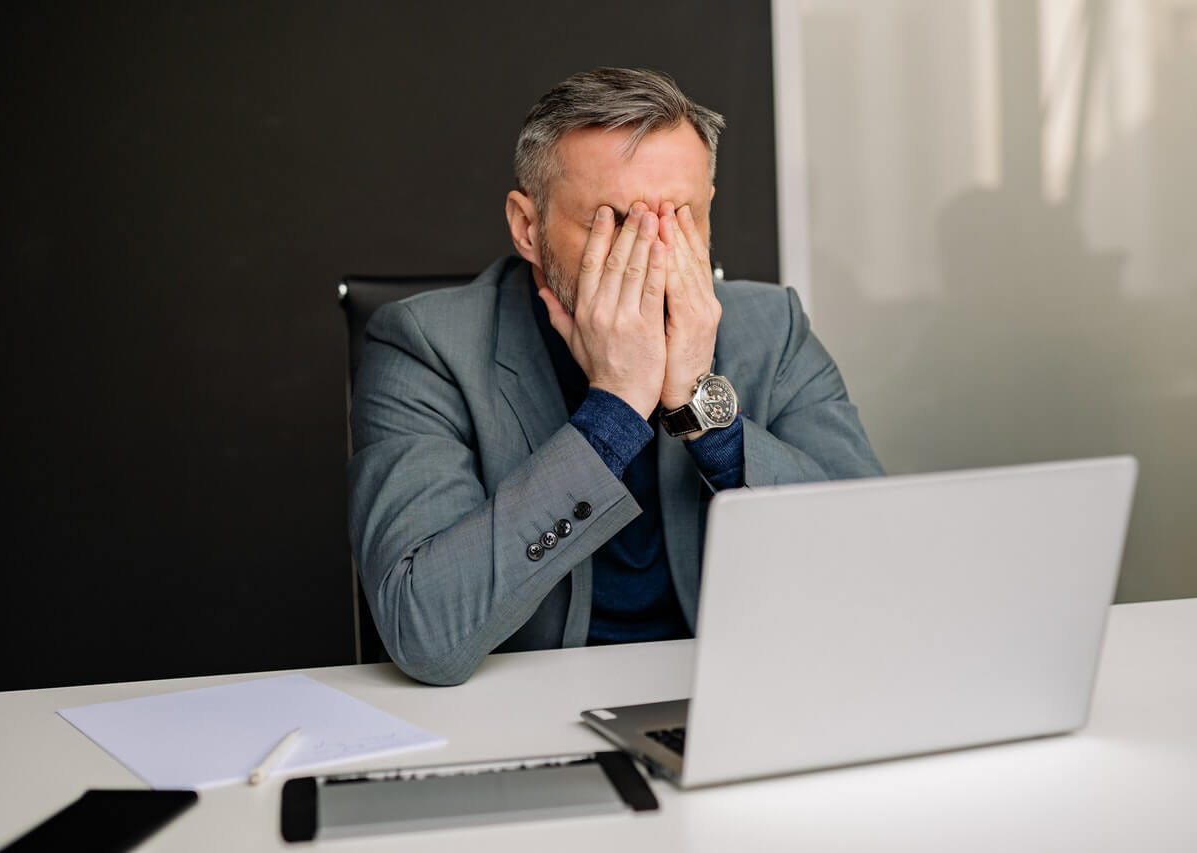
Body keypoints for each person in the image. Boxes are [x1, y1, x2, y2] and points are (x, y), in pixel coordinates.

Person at [347, 68, 882, 686]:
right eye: (616, 223)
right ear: (528, 227)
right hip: (528, 709)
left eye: (681, 221)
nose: (654, 256)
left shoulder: (773, 328)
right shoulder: (426, 346)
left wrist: (705, 418)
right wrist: (617, 409)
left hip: (739, 694)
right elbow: (426, 634)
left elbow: (877, 566)